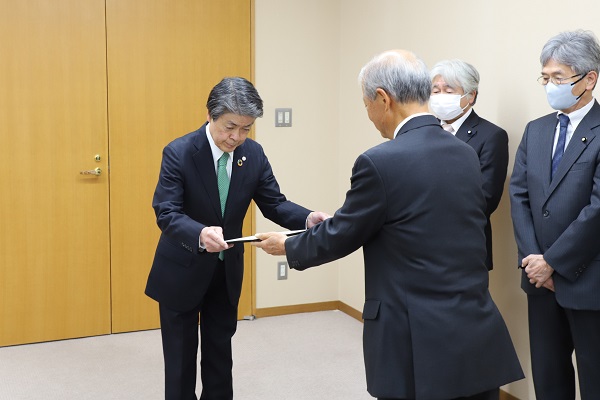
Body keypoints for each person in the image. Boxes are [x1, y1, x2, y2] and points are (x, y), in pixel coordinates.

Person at [254, 50, 523, 400]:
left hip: (415, 337)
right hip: (474, 328)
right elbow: (420, 217)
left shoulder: (378, 161)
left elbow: (342, 236)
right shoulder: (466, 153)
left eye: (366, 104)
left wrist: (287, 245)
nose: (368, 115)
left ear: (383, 98)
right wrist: (354, 219)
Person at [145, 76, 329, 400]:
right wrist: (199, 233)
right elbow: (167, 212)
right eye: (230, 127)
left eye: (246, 129)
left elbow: (274, 202)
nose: (236, 137)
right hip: (181, 271)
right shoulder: (179, 152)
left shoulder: (253, 155)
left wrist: (307, 218)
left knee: (220, 359)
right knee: (180, 364)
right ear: (210, 115)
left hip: (224, 271)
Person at [509, 29, 600, 400]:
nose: (549, 86)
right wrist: (536, 263)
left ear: (589, 78)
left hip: (588, 280)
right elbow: (519, 196)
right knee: (548, 378)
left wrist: (554, 263)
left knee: (594, 380)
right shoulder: (536, 130)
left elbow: (598, 208)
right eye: (545, 78)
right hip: (538, 281)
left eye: (558, 78)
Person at [429, 59, 509, 270]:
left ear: (470, 96)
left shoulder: (491, 136)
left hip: (464, 246)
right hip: (420, 244)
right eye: (435, 91)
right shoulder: (425, 131)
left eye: (448, 90)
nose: (440, 97)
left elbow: (486, 198)